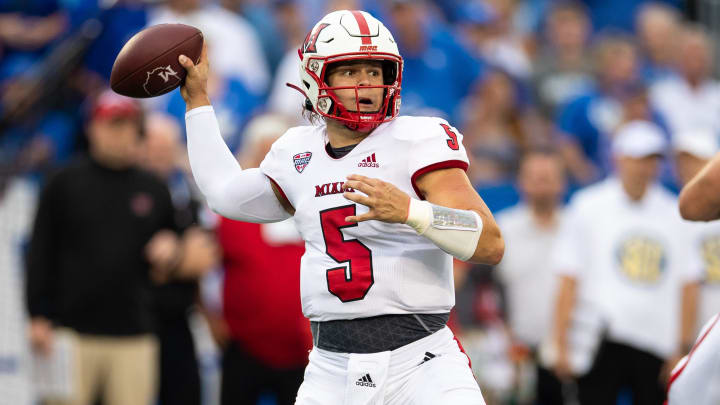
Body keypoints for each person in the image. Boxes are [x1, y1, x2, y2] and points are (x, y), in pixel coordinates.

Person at [178, 9, 504, 405]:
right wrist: (197, 101)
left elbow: (489, 242)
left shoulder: (419, 139)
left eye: (375, 70)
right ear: (317, 77)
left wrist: (411, 212)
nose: (365, 84)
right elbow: (223, 193)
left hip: (422, 362)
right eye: (350, 71)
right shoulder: (297, 153)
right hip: (331, 369)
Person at [26, 91, 199, 405]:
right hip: (71, 332)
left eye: (126, 125)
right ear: (93, 127)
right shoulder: (63, 183)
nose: (118, 134)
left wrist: (173, 246)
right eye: (111, 124)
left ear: (137, 130)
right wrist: (37, 314)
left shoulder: (153, 187)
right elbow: (41, 249)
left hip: (136, 333)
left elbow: (182, 238)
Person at [550, 121, 701, 405]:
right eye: (638, 158)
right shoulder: (588, 206)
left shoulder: (675, 212)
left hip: (656, 341)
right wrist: (560, 343)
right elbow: (568, 277)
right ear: (618, 158)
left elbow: (689, 284)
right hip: (599, 336)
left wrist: (680, 347)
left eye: (651, 160)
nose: (644, 167)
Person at [213, 113, 312, 405]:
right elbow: (206, 268)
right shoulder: (232, 213)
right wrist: (211, 319)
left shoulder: (312, 207)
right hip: (245, 347)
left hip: (306, 350)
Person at [140, 112, 219, 405]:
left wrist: (172, 259)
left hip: (178, 316)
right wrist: (175, 261)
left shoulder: (184, 189)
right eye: (153, 147)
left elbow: (204, 254)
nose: (160, 155)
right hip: (135, 321)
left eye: (167, 148)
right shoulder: (126, 189)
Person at [495, 150, 568, 405]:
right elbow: (490, 291)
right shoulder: (503, 229)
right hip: (516, 354)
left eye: (547, 177)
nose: (540, 184)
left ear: (562, 182)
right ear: (520, 181)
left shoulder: (578, 230)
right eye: (534, 177)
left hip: (569, 356)